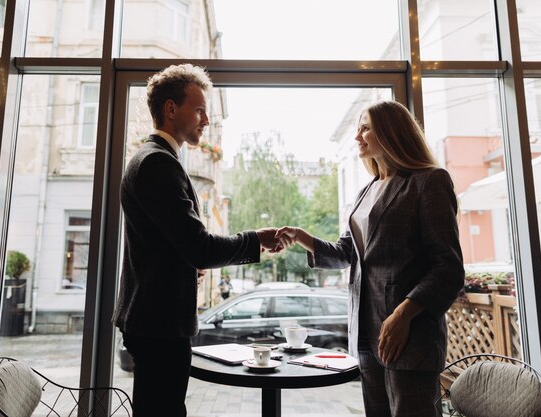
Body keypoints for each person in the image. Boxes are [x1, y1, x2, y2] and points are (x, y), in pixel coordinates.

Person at [112, 63, 284, 417]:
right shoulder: (158, 164)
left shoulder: (153, 159)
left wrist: (183, 264)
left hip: (151, 319)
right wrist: (257, 240)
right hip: (159, 323)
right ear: (171, 109)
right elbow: (199, 247)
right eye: (200, 109)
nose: (206, 120)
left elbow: (169, 245)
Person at [275, 100, 464, 417]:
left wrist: (403, 315)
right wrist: (302, 237)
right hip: (366, 334)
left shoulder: (429, 181)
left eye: (365, 128)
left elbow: (448, 268)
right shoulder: (368, 190)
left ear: (391, 133)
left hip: (408, 335)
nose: (357, 137)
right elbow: (348, 254)